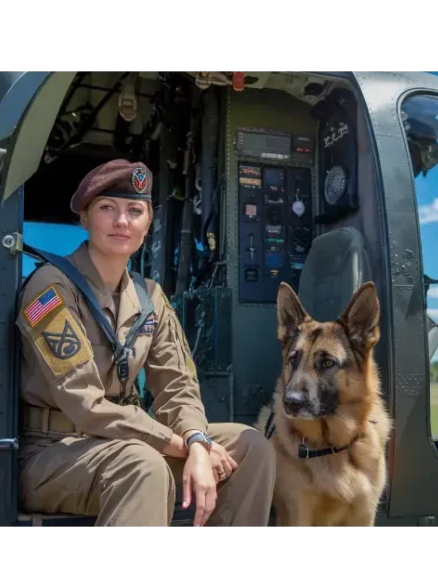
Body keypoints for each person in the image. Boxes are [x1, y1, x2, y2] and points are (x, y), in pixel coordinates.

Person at [16, 158, 276, 529]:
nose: (122, 221)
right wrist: (180, 446)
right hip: (54, 452)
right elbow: (84, 404)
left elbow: (178, 384)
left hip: (127, 443)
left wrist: (196, 439)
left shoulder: (149, 296)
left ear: (147, 224)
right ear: (85, 219)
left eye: (134, 211)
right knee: (143, 465)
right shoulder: (51, 289)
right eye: (108, 208)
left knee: (250, 448)